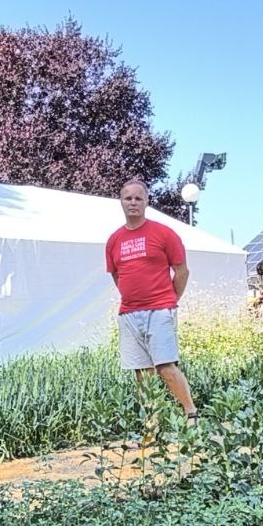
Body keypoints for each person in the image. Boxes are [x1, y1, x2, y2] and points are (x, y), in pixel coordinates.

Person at [105, 179, 197, 420]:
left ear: (146, 201)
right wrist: (132, 295)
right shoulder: (114, 240)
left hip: (160, 310)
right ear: (121, 202)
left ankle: (191, 414)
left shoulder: (164, 234)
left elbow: (182, 272)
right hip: (129, 313)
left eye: (138, 198)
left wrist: (169, 300)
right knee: (142, 373)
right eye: (128, 198)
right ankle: (151, 425)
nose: (133, 202)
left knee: (166, 367)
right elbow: (117, 274)